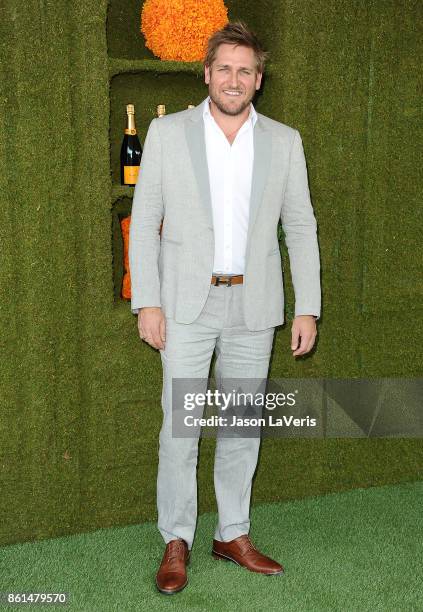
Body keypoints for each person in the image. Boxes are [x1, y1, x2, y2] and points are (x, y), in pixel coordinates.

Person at [129, 21, 321, 595]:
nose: (233, 79)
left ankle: (232, 532)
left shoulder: (285, 142)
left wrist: (306, 306)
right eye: (224, 68)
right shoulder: (167, 134)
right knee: (180, 430)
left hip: (254, 305)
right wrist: (148, 302)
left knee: (241, 427)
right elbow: (143, 222)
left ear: (258, 80)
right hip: (186, 302)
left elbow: (301, 226)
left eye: (245, 70)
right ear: (207, 73)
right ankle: (177, 538)